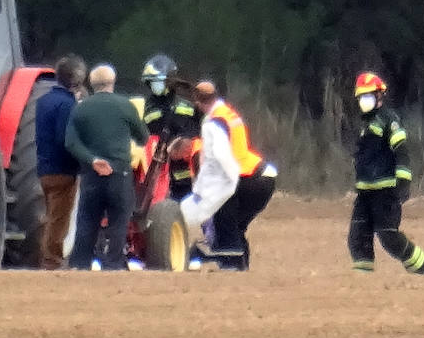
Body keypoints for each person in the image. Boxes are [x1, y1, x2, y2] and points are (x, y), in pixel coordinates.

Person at [347, 72, 424, 274]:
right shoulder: (367, 125)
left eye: (368, 95)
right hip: (365, 192)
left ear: (379, 96)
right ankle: (363, 283)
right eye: (361, 97)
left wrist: (403, 183)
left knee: (389, 237)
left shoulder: (389, 120)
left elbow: (402, 152)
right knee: (357, 238)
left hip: (385, 191)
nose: (364, 100)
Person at [64, 64, 149, 271]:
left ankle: (80, 265)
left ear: (91, 84)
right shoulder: (125, 106)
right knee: (119, 222)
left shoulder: (80, 108)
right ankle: (113, 265)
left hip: (92, 175)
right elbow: (143, 137)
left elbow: (70, 143)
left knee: (87, 223)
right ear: (113, 82)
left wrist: (92, 160)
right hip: (120, 173)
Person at [186, 80, 276, 270]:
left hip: (247, 176)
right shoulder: (227, 113)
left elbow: (209, 160)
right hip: (262, 175)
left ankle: (230, 264)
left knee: (224, 218)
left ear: (198, 102)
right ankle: (240, 265)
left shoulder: (213, 122)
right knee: (235, 226)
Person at [34, 54, 86, 270]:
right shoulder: (67, 104)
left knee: (50, 214)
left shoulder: (43, 101)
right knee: (60, 218)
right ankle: (52, 260)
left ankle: (45, 255)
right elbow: (65, 138)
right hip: (63, 169)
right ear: (77, 79)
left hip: (44, 167)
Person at [139, 54, 201, 201]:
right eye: (151, 82)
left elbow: (198, 131)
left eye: (157, 81)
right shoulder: (147, 106)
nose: (154, 85)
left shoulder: (188, 103)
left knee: (181, 214)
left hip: (183, 171)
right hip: (156, 171)